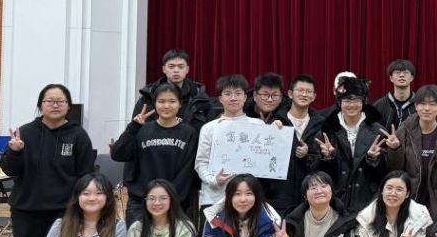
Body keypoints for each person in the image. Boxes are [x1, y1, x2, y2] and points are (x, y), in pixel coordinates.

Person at [2, 84, 97, 237]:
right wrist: (14, 152)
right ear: (40, 105)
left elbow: (85, 175)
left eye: (60, 101)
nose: (55, 105)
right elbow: (9, 170)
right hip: (27, 208)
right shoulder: (24, 132)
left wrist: (80, 207)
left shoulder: (78, 135)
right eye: (49, 101)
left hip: (64, 210)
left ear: (68, 106)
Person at [110, 83, 199, 225]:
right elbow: (118, 154)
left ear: (180, 104)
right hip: (141, 202)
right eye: (161, 101)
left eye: (172, 101)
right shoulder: (142, 130)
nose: (166, 106)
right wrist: (133, 127)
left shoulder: (189, 133)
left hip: (174, 203)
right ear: (155, 103)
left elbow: (187, 172)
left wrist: (166, 198)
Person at [383, 84, 437, 220]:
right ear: (416, 106)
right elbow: (395, 171)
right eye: (422, 104)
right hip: (410, 197)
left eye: (432, 104)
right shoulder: (404, 131)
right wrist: (395, 149)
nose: (427, 108)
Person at [194, 74, 272, 210]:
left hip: (247, 197)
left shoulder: (258, 125)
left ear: (245, 97)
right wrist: (214, 180)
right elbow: (201, 163)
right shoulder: (209, 128)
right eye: (228, 94)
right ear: (220, 99)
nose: (233, 98)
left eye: (238, 93)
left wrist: (276, 131)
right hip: (215, 197)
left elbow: (266, 160)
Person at [311, 75, 385, 216]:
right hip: (335, 200)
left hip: (368, 201)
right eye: (347, 100)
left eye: (356, 100)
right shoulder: (327, 130)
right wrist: (327, 157)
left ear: (364, 102)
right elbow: (314, 170)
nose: (351, 105)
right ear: (339, 103)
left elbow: (386, 171)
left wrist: (374, 160)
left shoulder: (377, 130)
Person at [246, 73, 303, 217]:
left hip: (280, 191)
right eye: (265, 94)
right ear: (255, 95)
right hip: (247, 187)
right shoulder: (243, 116)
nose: (270, 99)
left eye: (275, 95)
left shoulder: (288, 117)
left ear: (281, 97)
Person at [129, 49, 214, 133]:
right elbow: (133, 132)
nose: (176, 70)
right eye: (171, 66)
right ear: (164, 69)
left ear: (187, 69)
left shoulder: (200, 98)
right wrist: (136, 126)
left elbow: (210, 131)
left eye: (181, 66)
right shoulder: (148, 96)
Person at [374, 59, 417, 131]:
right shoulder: (379, 105)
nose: (402, 75)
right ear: (391, 78)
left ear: (412, 77)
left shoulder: (420, 104)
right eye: (397, 72)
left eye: (405, 72)